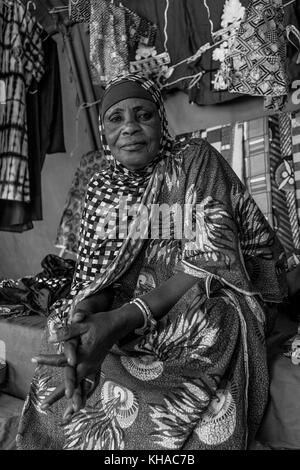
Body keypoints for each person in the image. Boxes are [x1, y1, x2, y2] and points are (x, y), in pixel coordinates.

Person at [16, 74, 287, 450]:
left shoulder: (193, 159)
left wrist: (119, 320)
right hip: (138, 293)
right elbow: (97, 278)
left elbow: (210, 261)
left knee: (208, 320)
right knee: (63, 323)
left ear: (161, 121)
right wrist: (87, 320)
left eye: (143, 114)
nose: (130, 127)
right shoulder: (101, 187)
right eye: (116, 119)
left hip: (209, 283)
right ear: (104, 130)